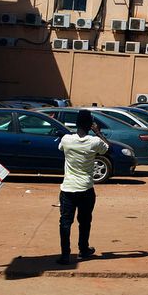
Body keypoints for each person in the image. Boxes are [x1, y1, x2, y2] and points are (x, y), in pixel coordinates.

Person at [58, 109, 109, 265]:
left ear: (76, 123)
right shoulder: (94, 142)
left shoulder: (66, 139)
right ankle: (83, 249)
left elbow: (60, 148)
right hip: (86, 188)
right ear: (90, 125)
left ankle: (65, 254)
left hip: (67, 188)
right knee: (85, 221)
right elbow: (108, 148)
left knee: (65, 222)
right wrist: (98, 132)